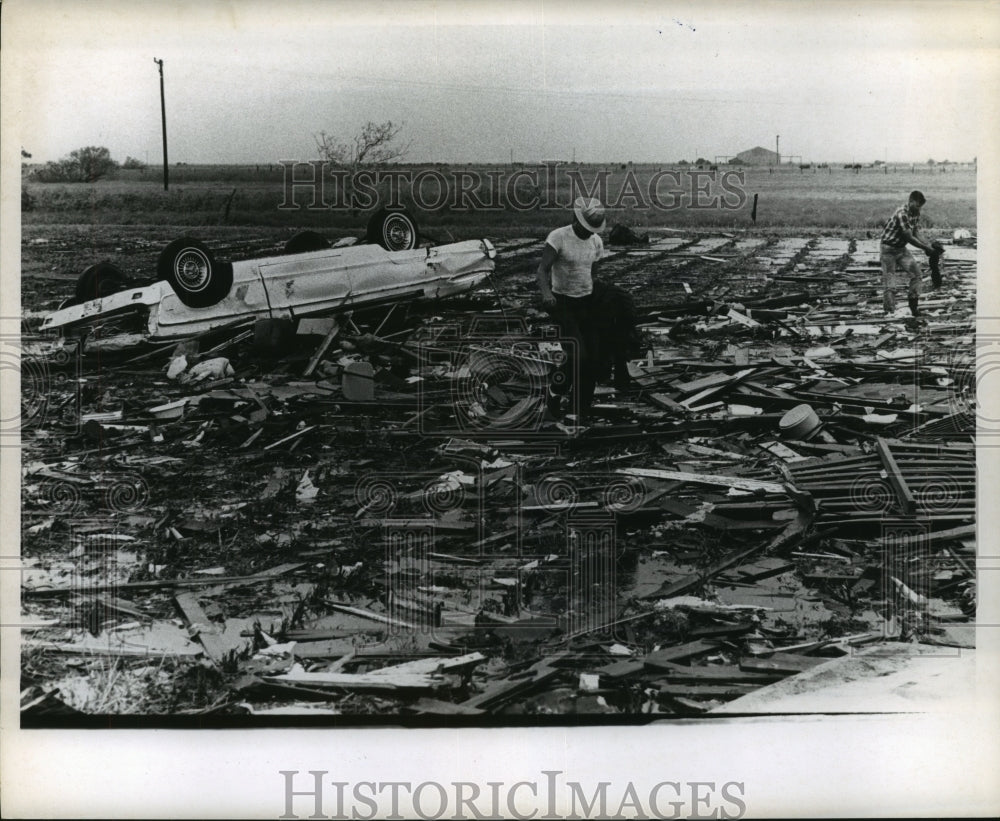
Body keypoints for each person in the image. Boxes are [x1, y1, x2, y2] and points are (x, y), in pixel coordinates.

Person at [536, 197, 607, 422]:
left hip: (586, 303)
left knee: (593, 359)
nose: (589, 233)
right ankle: (554, 396)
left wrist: (597, 295)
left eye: (592, 230)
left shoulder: (596, 242)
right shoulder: (558, 237)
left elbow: (593, 272)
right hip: (562, 303)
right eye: (586, 228)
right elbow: (542, 270)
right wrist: (546, 294)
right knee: (578, 355)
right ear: (575, 220)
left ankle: (580, 410)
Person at [879, 190, 943, 317]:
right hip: (888, 250)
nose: (919, 208)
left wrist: (929, 245)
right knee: (890, 282)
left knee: (917, 275)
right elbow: (909, 237)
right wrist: (926, 249)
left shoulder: (915, 212)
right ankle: (889, 313)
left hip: (901, 249)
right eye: (917, 205)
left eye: (920, 206)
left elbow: (916, 233)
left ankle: (914, 309)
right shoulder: (902, 213)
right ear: (911, 201)